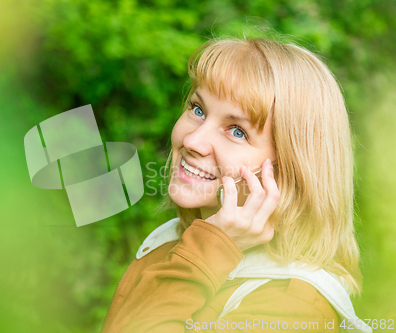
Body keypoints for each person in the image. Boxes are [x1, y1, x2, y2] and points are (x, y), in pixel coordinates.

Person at [101, 37, 371, 333]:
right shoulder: (173, 242)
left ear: (290, 172)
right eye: (197, 109)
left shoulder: (293, 308)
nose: (193, 141)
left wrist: (206, 253)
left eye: (237, 132)